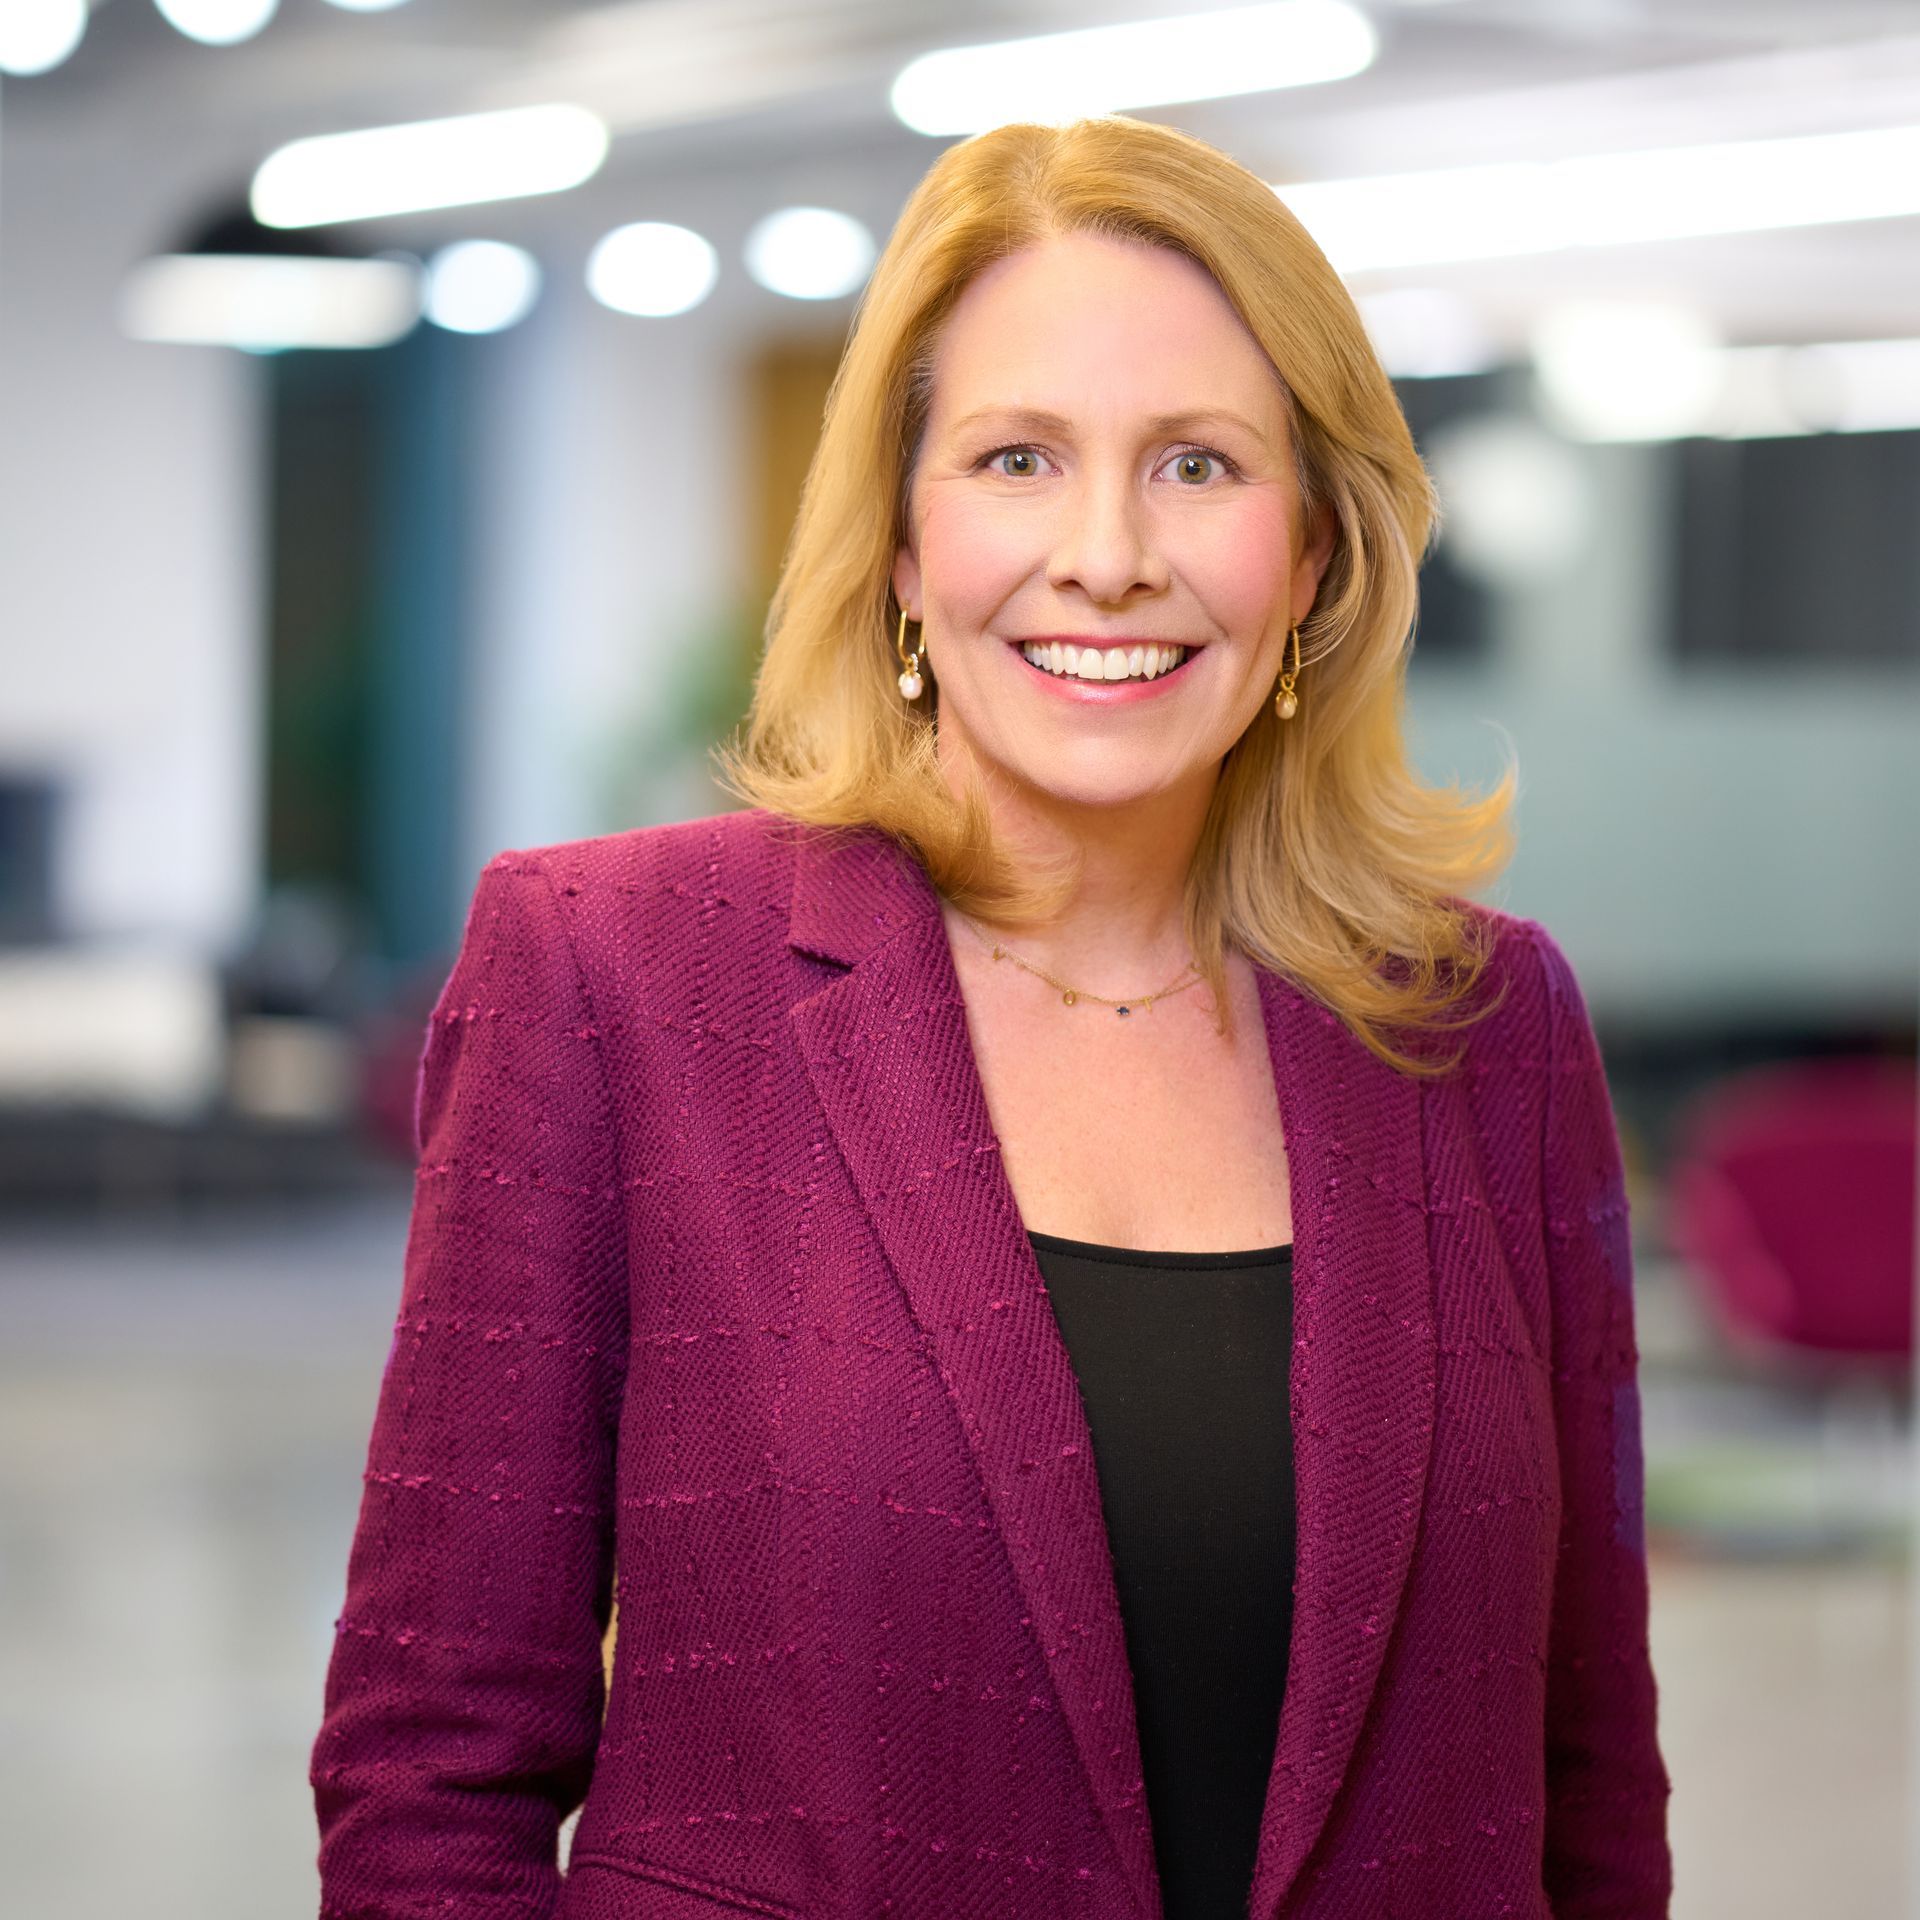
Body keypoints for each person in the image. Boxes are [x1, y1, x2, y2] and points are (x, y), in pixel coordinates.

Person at [310, 115, 1672, 1920]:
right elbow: (432, 1782)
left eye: (1198, 465)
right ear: (895, 538)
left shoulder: (1486, 1027)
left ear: (1321, 556)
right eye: (1019, 458)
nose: (1107, 556)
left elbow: (1589, 1782)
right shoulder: (617, 975)